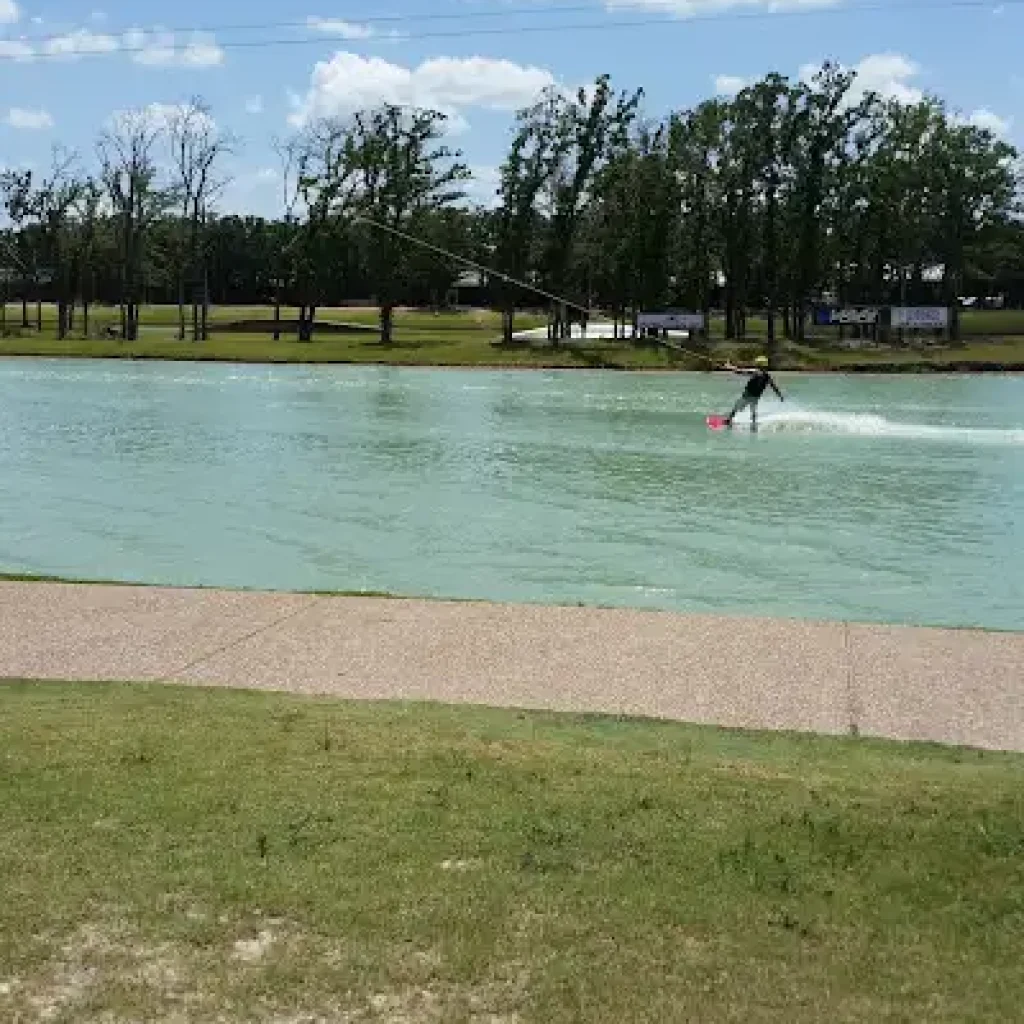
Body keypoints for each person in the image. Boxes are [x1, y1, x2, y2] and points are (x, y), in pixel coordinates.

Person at [722, 355, 784, 431]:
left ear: (758, 364)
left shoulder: (755, 372)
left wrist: (729, 367)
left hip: (747, 395)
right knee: (753, 410)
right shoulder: (767, 376)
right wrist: (780, 395)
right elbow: (774, 387)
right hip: (756, 397)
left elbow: (739, 371)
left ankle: (728, 421)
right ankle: (754, 426)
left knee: (736, 407)